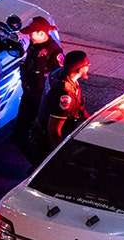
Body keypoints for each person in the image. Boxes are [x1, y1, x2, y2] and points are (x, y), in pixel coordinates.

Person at [16, 16, 63, 164]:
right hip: (29, 97)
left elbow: (60, 81)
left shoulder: (54, 53)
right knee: (19, 135)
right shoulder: (33, 45)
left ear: (42, 33)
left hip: (41, 101)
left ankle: (39, 166)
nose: (29, 36)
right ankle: (36, 163)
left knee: (38, 137)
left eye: (32, 33)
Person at [39, 50, 90, 150]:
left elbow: (79, 109)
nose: (89, 66)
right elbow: (53, 131)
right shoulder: (65, 95)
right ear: (79, 70)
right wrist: (60, 153)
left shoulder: (60, 75)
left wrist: (92, 121)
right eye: (87, 64)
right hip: (49, 143)